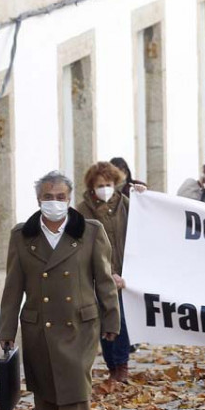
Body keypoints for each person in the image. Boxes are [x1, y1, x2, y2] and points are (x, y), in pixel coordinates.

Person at [0, 171, 120, 410]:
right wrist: (6, 331)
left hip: (80, 321)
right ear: (39, 199)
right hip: (38, 322)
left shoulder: (90, 231)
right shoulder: (22, 235)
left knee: (76, 380)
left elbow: (103, 279)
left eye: (60, 197)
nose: (55, 202)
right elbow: (13, 287)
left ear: (69, 198)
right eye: (48, 197)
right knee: (44, 381)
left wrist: (112, 317)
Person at [76, 162, 142, 383]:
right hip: (98, 275)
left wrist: (144, 196)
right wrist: (107, 272)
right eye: (100, 185)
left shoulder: (125, 204)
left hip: (126, 274)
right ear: (92, 187)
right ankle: (112, 364)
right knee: (106, 320)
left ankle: (121, 366)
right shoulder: (82, 211)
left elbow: (147, 221)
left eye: (108, 184)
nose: (104, 188)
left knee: (120, 319)